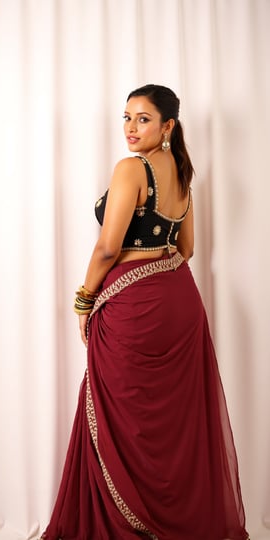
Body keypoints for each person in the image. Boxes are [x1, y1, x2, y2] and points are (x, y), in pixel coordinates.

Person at [40, 84, 249, 540]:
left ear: (167, 125)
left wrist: (83, 299)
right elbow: (187, 248)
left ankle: (125, 527)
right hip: (178, 302)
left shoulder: (132, 169)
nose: (131, 128)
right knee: (167, 426)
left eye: (143, 119)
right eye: (127, 117)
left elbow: (108, 247)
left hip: (133, 310)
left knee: (123, 421)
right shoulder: (181, 169)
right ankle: (173, 520)